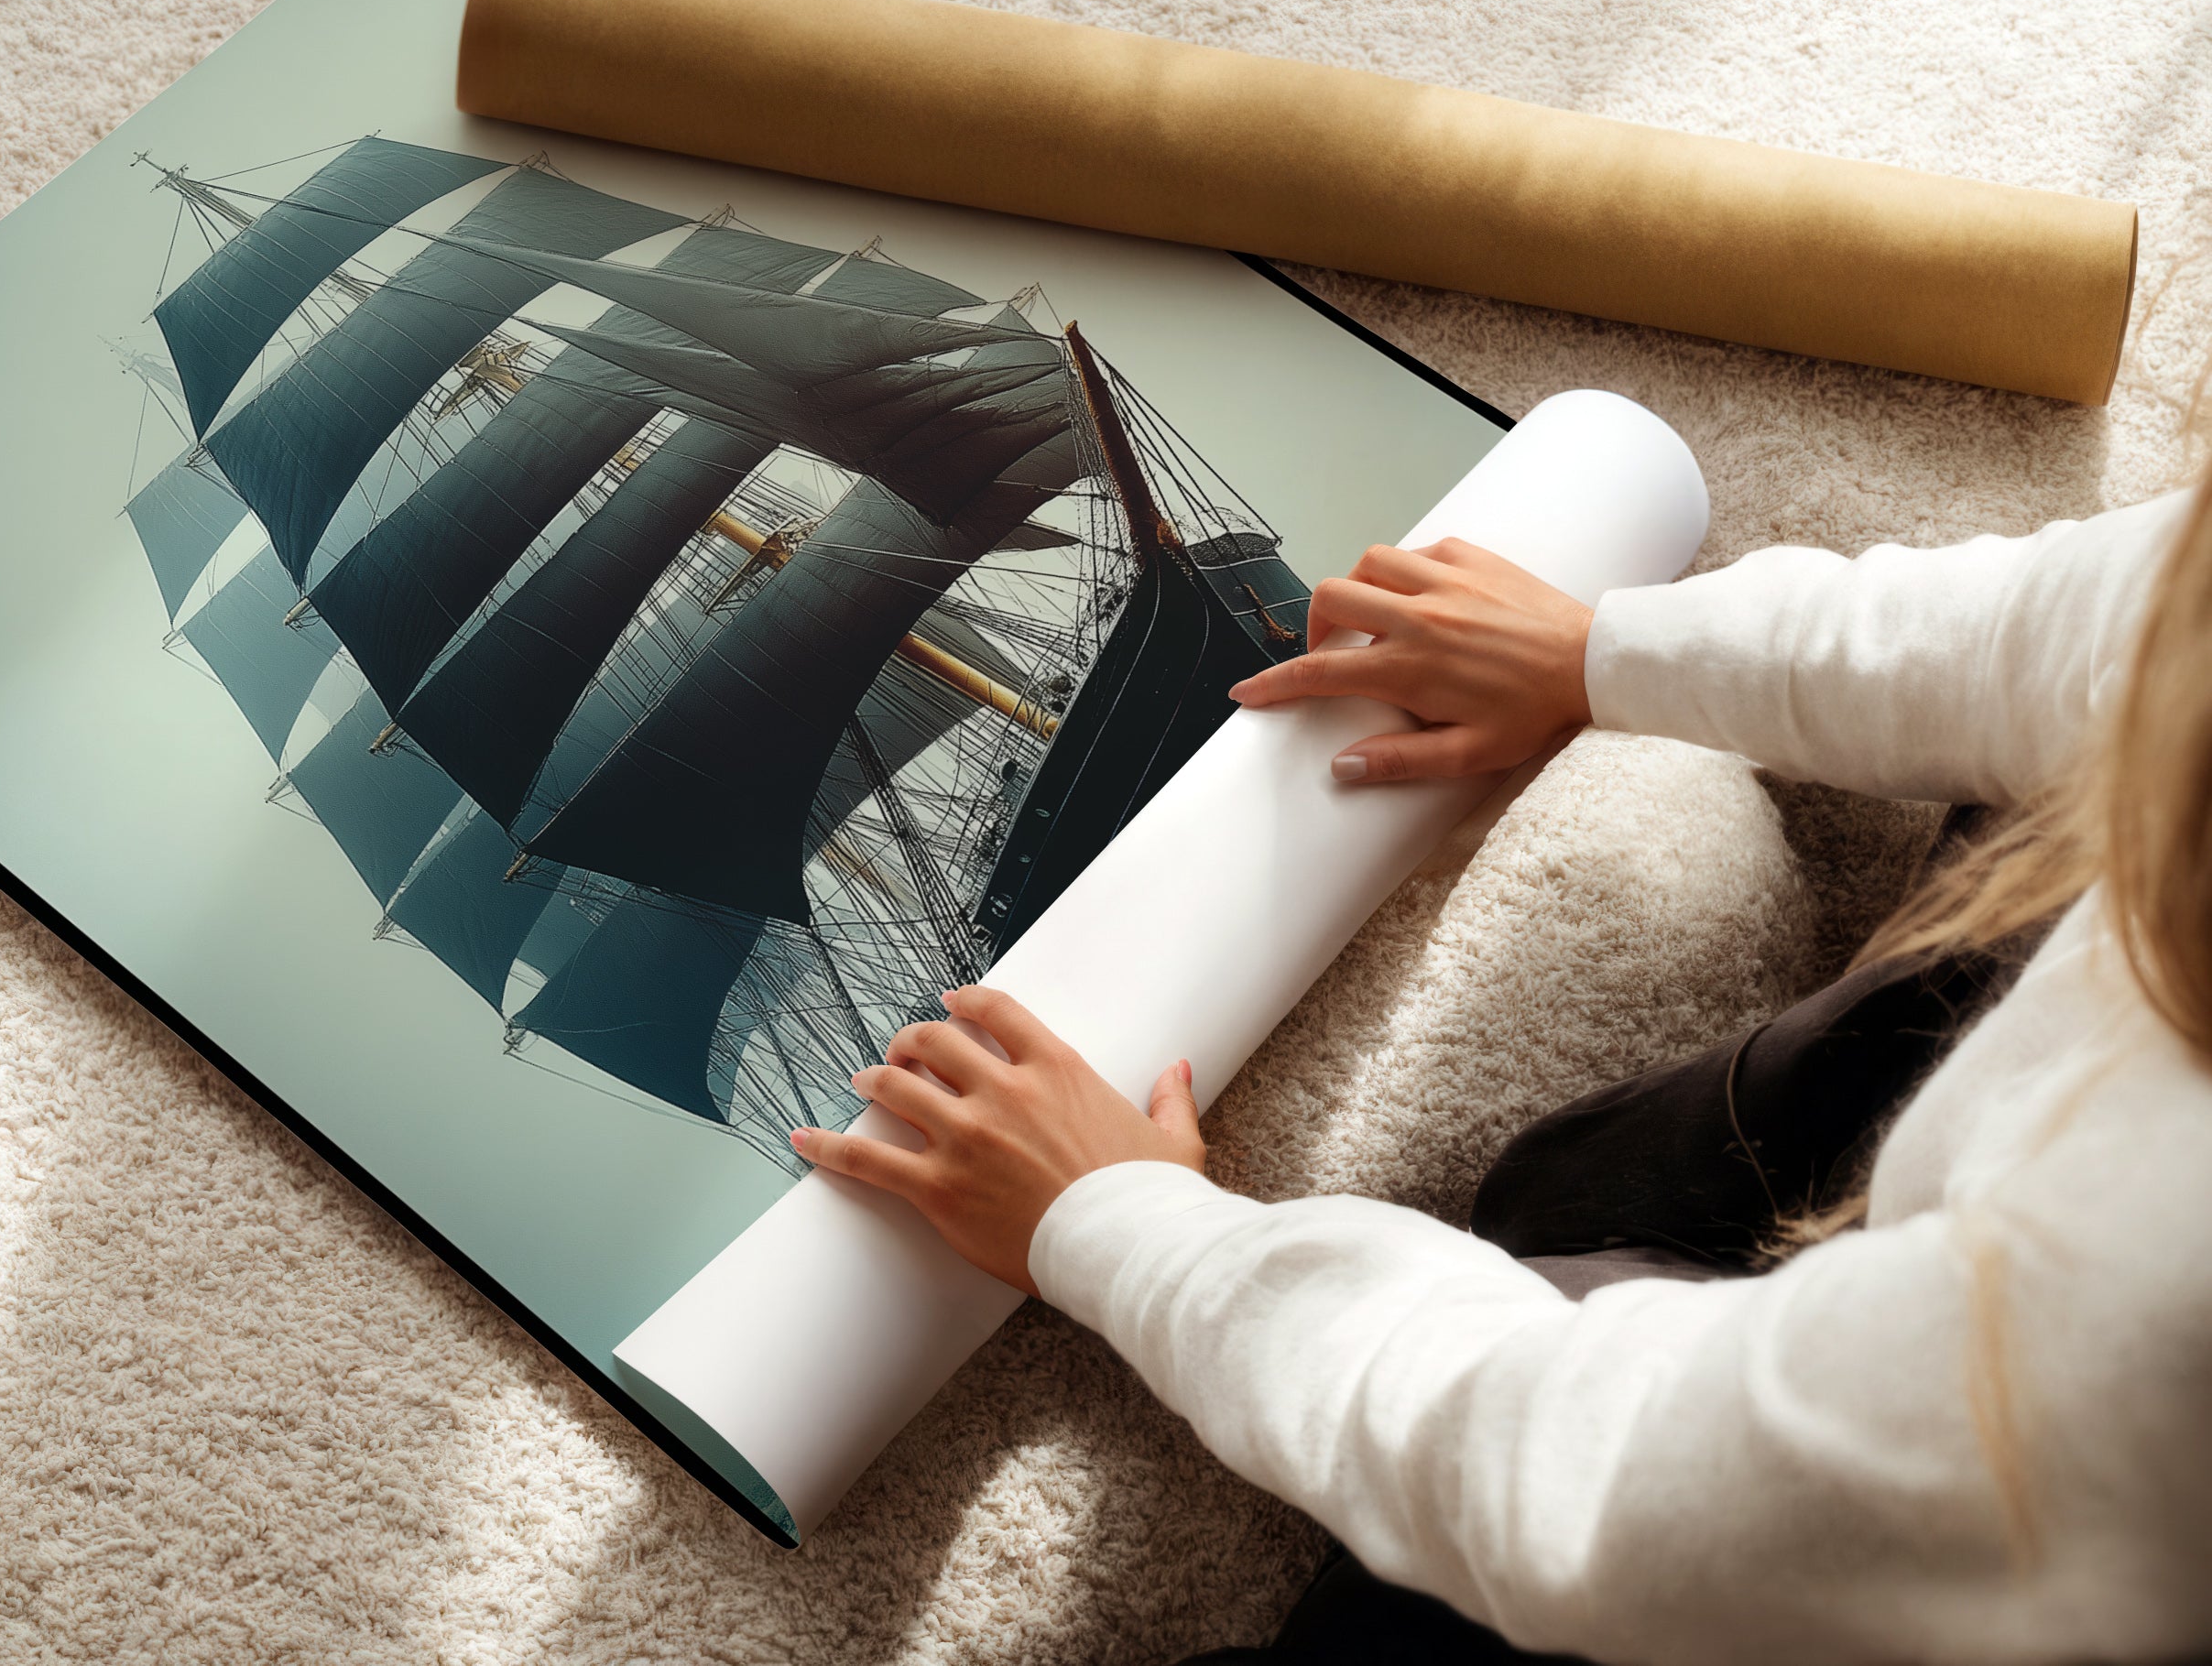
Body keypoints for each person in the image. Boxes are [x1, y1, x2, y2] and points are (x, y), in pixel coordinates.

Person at [791, 491, 2212, 1663]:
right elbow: (2103, 621)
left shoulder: (2146, 1309)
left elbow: (1599, 1482)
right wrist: (1601, 649)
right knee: (1576, 1183)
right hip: (2030, 1209)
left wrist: (1125, 1228)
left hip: (2016, 1533)